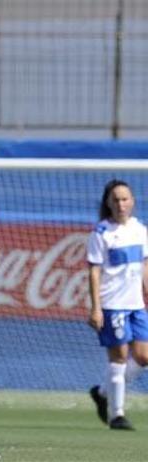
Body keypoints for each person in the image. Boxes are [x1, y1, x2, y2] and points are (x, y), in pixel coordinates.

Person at [86, 179, 148, 430]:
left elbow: (144, 265)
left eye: (125, 199)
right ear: (108, 204)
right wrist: (96, 307)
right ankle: (116, 414)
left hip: (136, 304)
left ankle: (102, 392)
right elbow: (94, 272)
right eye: (116, 200)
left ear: (132, 202)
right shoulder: (101, 232)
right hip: (112, 303)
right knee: (119, 356)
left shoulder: (139, 229)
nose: (121, 204)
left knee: (143, 356)